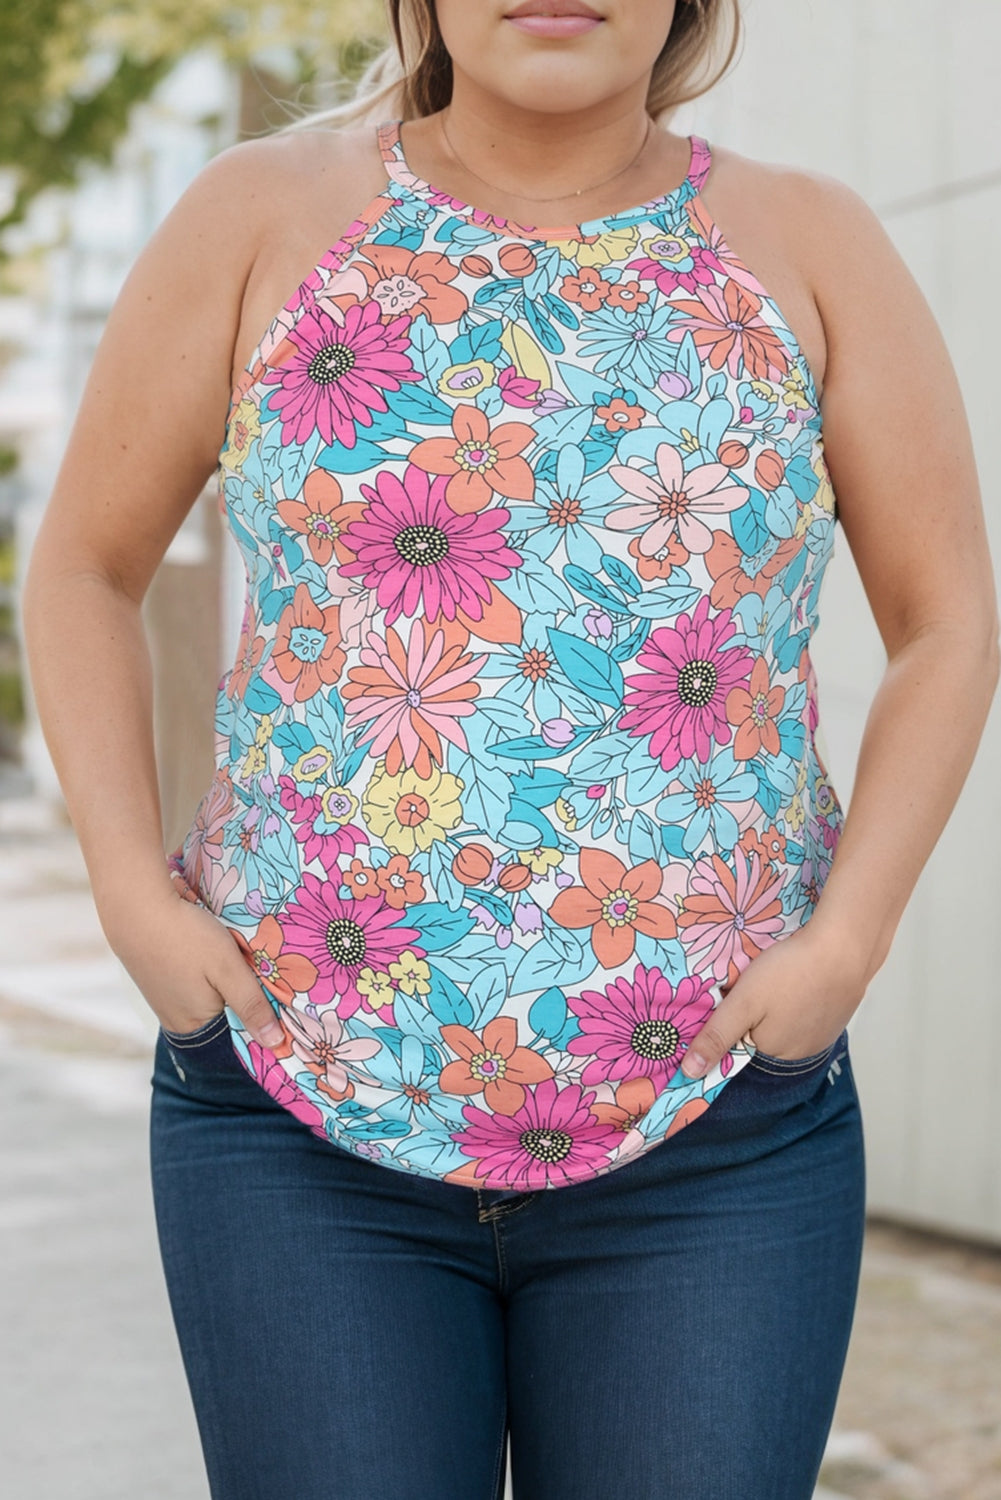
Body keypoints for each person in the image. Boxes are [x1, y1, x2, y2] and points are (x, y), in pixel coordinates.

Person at [21, 1, 999, 1496]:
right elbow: (84, 568)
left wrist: (846, 945)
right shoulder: (258, 218)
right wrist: (127, 897)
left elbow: (947, 624)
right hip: (296, 1117)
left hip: (717, 1136)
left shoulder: (810, 245)